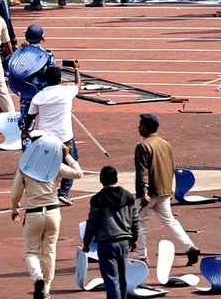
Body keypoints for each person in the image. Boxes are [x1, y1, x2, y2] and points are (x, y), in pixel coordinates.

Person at [11, 134, 83, 299]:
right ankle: (47, 290)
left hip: (33, 214)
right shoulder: (55, 166)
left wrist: (14, 208)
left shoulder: (25, 167)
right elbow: (78, 174)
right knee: (49, 252)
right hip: (53, 212)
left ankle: (38, 278)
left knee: (31, 252)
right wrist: (67, 156)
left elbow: (15, 192)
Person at [133, 113, 199, 264]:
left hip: (148, 193)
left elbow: (142, 171)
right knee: (170, 221)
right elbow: (171, 167)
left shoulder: (143, 146)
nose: (139, 127)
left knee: (140, 224)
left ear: (147, 128)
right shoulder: (165, 143)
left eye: (141, 125)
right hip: (164, 190)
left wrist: (143, 193)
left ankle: (141, 256)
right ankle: (190, 247)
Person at [25, 62, 82, 204]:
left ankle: (43, 192)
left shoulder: (38, 96)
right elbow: (78, 84)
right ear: (60, 80)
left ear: (45, 80)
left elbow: (30, 116)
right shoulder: (66, 91)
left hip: (44, 138)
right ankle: (64, 192)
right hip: (64, 137)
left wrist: (26, 130)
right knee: (71, 160)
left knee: (44, 164)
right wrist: (76, 69)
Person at [83, 165, 139, 299]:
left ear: (101, 180)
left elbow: (92, 223)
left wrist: (86, 242)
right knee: (122, 277)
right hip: (124, 241)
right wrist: (134, 238)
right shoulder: (128, 196)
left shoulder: (98, 199)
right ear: (116, 179)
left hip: (106, 243)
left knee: (110, 278)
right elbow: (135, 220)